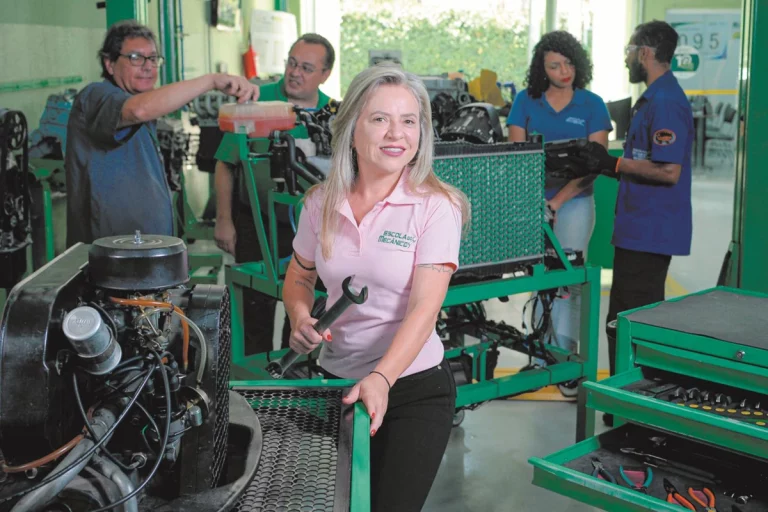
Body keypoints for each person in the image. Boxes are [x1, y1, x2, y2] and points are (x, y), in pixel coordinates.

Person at [282, 63, 469, 511]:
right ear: (351, 128)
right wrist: (299, 316)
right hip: (337, 383)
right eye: (380, 118)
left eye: (409, 121)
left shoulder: (435, 208)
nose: (396, 134)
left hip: (411, 386)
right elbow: (300, 275)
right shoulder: (320, 204)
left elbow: (425, 308)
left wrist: (382, 377)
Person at [570, 20, 693, 425]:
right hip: (638, 227)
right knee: (621, 319)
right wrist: (611, 165)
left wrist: (613, 162)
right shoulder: (652, 99)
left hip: (651, 231)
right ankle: (625, 402)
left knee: (633, 321)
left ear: (644, 52)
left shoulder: (666, 101)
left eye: (628, 49)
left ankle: (636, 410)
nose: (626, 57)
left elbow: (668, 170)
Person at [65, 20, 259, 246]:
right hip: (110, 253)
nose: (148, 66)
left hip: (146, 249)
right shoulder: (97, 96)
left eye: (153, 58)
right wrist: (211, 80)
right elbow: (139, 109)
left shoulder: (139, 105)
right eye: (136, 58)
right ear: (109, 64)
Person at [213, 33, 334, 355]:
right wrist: (224, 221)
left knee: (305, 312)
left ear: (325, 75)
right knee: (256, 309)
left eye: (307, 68)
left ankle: (293, 377)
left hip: (312, 229)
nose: (295, 73)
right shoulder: (256, 102)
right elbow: (225, 164)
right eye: (292, 63)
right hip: (257, 224)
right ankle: (255, 389)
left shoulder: (335, 115)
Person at [507, 31, 613, 395]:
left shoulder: (592, 104)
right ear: (542, 68)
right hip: (533, 204)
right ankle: (538, 357)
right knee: (537, 279)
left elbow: (595, 165)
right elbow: (516, 157)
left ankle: (567, 361)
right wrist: (535, 202)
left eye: (569, 63)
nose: (563, 71)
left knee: (567, 282)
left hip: (575, 203)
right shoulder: (525, 101)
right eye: (554, 65)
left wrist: (558, 201)